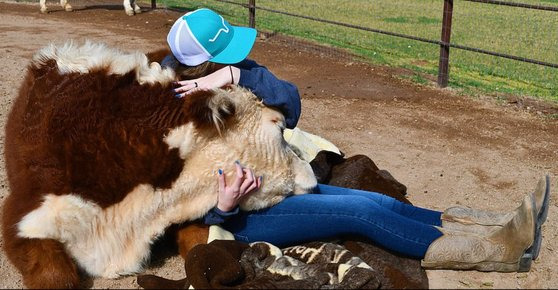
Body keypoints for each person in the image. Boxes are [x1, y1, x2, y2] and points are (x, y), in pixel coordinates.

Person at [165, 8, 550, 272]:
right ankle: (497, 252)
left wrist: (236, 74)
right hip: (247, 217)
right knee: (362, 215)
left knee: (379, 201)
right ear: (201, 64)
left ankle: (494, 226)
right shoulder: (171, 116)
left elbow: (291, 104)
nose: (241, 61)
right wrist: (225, 209)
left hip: (282, 183)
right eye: (228, 56)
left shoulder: (234, 77)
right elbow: (179, 196)